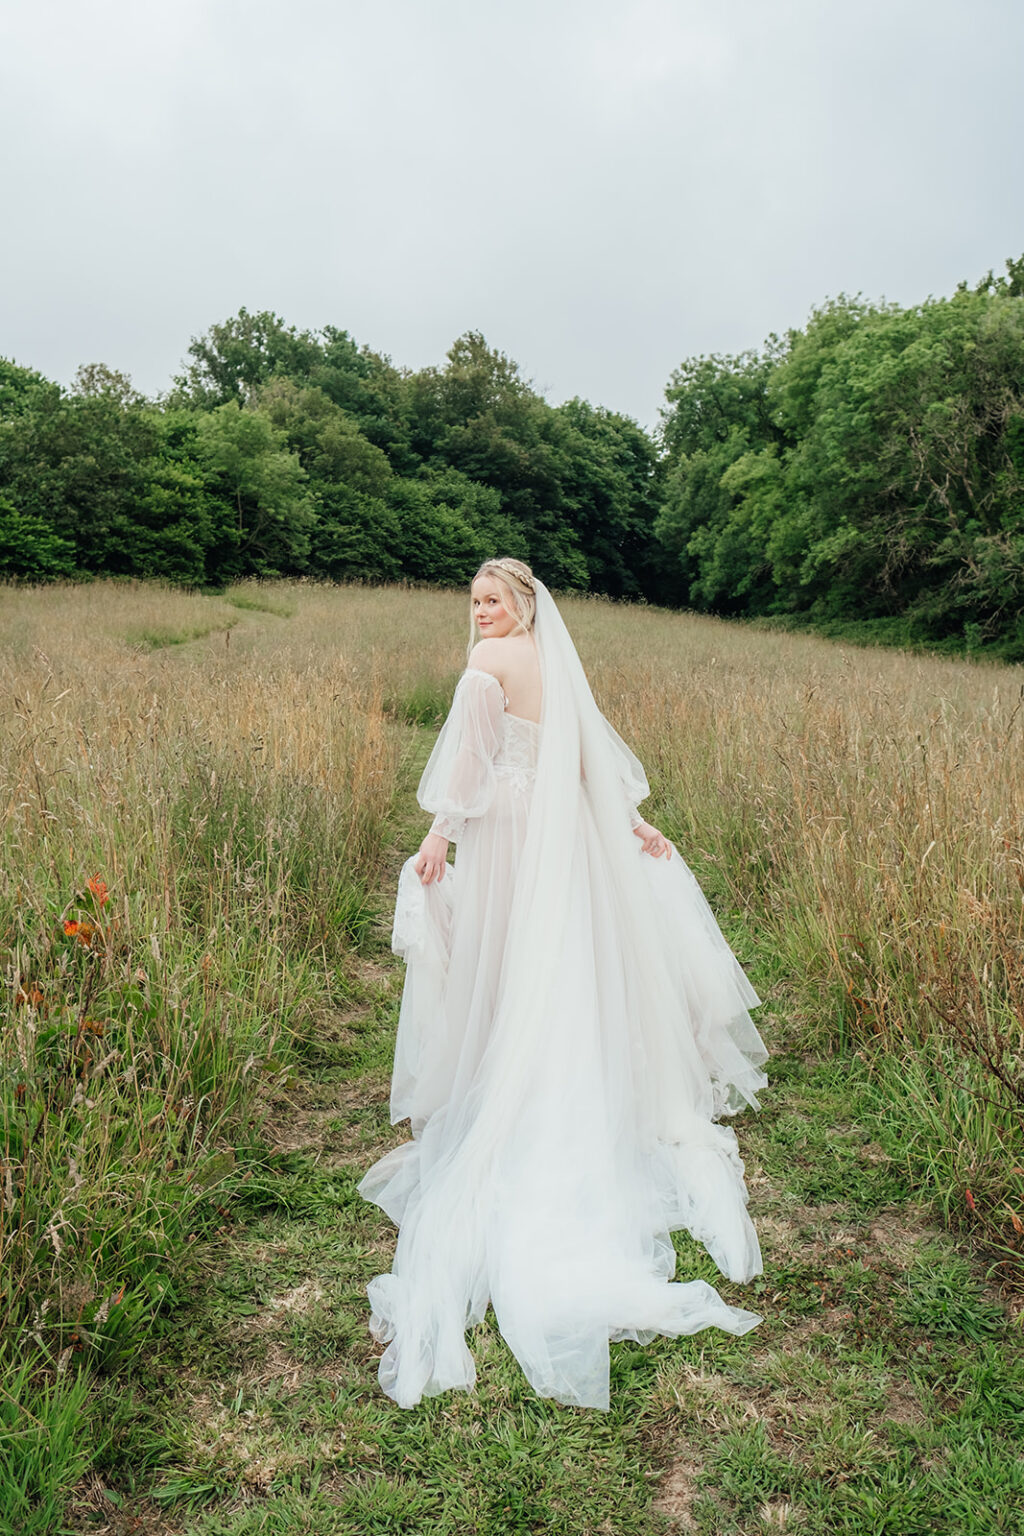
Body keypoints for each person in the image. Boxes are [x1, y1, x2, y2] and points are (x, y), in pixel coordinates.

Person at [359, 558, 768, 1411]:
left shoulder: (485, 668)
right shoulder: (556, 661)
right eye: (472, 601)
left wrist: (437, 837)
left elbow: (469, 767)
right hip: (569, 834)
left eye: (492, 600)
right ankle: (565, 1075)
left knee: (512, 958)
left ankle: (514, 1083)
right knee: (565, 960)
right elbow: (583, 758)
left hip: (511, 834)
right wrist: (629, 820)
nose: (479, 613)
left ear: (522, 602)